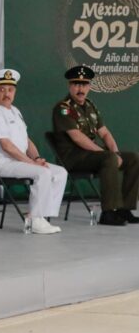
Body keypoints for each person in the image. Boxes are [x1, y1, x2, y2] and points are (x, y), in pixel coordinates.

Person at [51, 65, 139, 226]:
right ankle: (108, 213)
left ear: (89, 87)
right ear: (69, 86)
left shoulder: (90, 106)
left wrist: (116, 152)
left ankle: (124, 209)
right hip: (73, 157)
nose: (80, 89)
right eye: (76, 84)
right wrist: (107, 154)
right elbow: (77, 138)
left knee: (132, 158)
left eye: (84, 85)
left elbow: (104, 133)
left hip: (91, 155)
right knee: (109, 158)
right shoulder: (63, 109)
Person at [0, 69, 66, 234]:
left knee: (60, 172)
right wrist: (32, 163)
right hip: (5, 164)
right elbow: (6, 146)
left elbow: (27, 141)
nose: (7, 94)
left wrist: (38, 158)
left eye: (10, 90)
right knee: (42, 173)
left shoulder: (15, 111)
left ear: (15, 92)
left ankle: (41, 216)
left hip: (22, 161)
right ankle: (35, 219)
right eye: (2, 89)